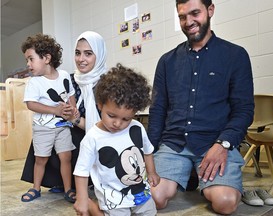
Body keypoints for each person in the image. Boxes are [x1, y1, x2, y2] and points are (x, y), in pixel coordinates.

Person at [147, 0, 254, 215]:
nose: (188, 21)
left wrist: (223, 144)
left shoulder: (235, 55)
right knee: (153, 199)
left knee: (225, 203)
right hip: (174, 144)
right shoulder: (166, 61)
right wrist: (148, 154)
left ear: (210, 10)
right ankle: (191, 175)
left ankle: (204, 179)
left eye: (195, 13)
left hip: (214, 143)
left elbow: (244, 110)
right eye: (182, 16)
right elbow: (157, 111)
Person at [20, 31, 107, 192]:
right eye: (77, 53)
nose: (81, 59)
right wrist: (63, 113)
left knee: (69, 138)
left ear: (99, 54)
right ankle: (57, 182)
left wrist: (72, 117)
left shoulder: (107, 84)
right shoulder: (71, 78)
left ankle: (76, 182)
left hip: (94, 132)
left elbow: (107, 126)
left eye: (88, 54)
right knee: (47, 130)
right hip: (67, 124)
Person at [73, 63, 160, 216]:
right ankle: (92, 206)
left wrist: (152, 172)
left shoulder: (137, 128)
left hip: (141, 192)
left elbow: (147, 151)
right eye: (111, 116)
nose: (118, 124)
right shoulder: (93, 138)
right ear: (100, 105)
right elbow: (81, 171)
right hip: (113, 197)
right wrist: (81, 198)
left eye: (126, 118)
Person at [20, 33, 78, 203]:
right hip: (43, 128)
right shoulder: (35, 82)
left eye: (31, 59)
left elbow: (71, 94)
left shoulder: (65, 75)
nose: (28, 64)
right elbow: (31, 104)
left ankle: (68, 189)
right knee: (41, 159)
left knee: (65, 157)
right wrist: (55, 110)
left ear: (46, 58)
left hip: (63, 127)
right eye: (27, 60)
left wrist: (71, 109)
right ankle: (35, 188)